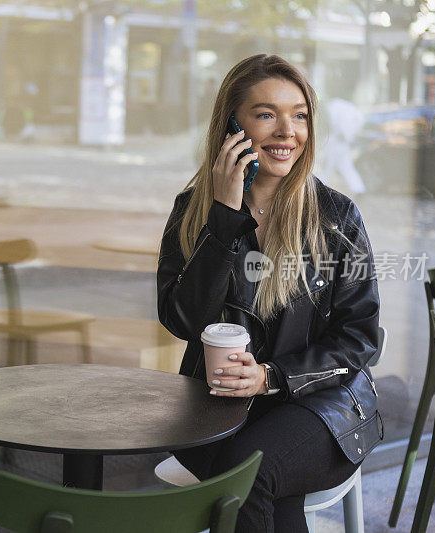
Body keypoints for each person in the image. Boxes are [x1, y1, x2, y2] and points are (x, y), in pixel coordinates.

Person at [157, 54, 382, 532]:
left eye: (299, 115)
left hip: (324, 406)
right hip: (219, 409)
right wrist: (222, 217)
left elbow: (361, 338)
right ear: (230, 127)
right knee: (256, 479)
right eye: (266, 114)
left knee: (247, 472)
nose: (287, 131)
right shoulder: (193, 210)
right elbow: (182, 320)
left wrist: (271, 376)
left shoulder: (337, 217)